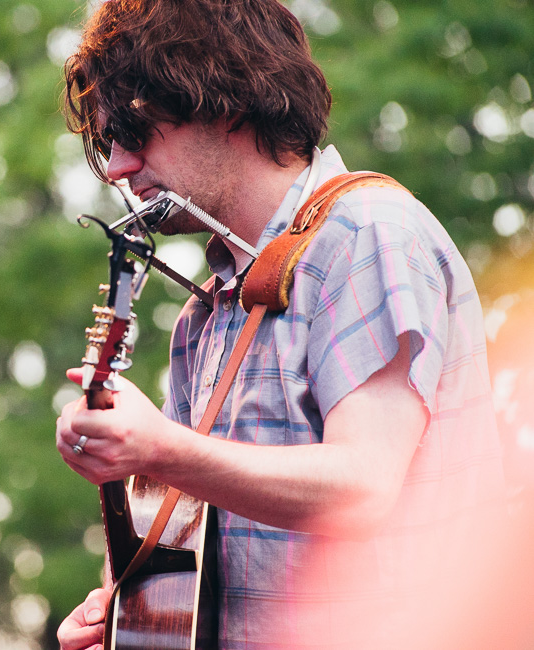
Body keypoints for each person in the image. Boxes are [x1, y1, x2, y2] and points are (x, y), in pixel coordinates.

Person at [55, 1, 505, 648]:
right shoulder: (202, 316)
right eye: (106, 145)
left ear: (222, 98)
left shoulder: (367, 230)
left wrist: (157, 448)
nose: (119, 167)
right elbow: (190, 554)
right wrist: (124, 611)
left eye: (132, 131)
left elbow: (362, 489)